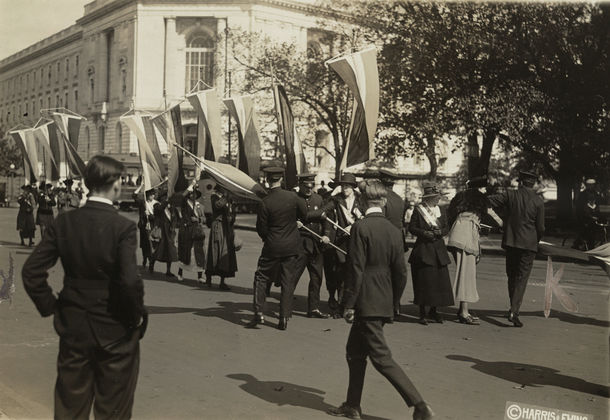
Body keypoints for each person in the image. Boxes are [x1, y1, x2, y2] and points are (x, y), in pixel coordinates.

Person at [21, 155, 146, 419]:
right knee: (113, 408)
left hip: (73, 325)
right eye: (120, 181)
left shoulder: (64, 222)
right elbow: (129, 281)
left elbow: (32, 272)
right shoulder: (122, 227)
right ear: (113, 184)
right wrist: (135, 317)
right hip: (115, 329)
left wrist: (52, 307)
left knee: (69, 405)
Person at [327, 179, 434, 420]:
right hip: (383, 299)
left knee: (381, 357)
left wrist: (348, 304)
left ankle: (419, 405)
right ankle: (352, 405)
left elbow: (355, 270)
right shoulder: (395, 231)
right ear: (383, 201)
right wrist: (393, 302)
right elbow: (401, 272)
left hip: (366, 301)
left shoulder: (360, 228)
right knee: (354, 351)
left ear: (363, 202)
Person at [247, 167, 307, 330]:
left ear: (267, 180)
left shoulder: (265, 201)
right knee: (288, 281)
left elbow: (261, 228)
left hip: (273, 245)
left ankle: (258, 313)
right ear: (281, 179)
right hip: (291, 246)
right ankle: (284, 317)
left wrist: (268, 238)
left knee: (261, 277)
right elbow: (304, 214)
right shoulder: (293, 197)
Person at [488, 170, 545, 328]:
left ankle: (512, 308)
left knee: (511, 275)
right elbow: (541, 227)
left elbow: (490, 201)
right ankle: (514, 311)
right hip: (529, 244)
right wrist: (536, 240)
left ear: (520, 181)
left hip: (511, 242)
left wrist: (503, 219)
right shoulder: (538, 201)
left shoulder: (510, 195)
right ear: (533, 183)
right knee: (522, 278)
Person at [408, 181, 454, 325]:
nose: (438, 198)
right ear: (429, 198)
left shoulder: (442, 210)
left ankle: (434, 311)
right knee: (424, 282)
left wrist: (442, 232)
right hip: (424, 250)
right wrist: (424, 233)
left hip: (439, 251)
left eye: (438, 196)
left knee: (438, 283)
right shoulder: (419, 210)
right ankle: (422, 313)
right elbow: (411, 228)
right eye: (435, 196)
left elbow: (447, 227)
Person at [318, 173, 364, 317]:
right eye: (343, 186)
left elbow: (366, 218)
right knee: (338, 274)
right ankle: (339, 304)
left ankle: (348, 304)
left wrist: (354, 226)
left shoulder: (361, 201)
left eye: (348, 186)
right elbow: (325, 213)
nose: (345, 189)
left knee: (352, 274)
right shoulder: (336, 200)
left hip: (355, 241)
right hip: (340, 242)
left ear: (353, 187)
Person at [446, 176, 489, 325]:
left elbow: (450, 214)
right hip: (466, 236)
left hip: (457, 234)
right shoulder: (479, 199)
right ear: (479, 188)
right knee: (466, 274)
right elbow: (492, 216)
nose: (485, 191)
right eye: (484, 188)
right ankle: (464, 312)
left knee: (465, 273)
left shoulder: (460, 197)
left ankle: (462, 309)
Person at [293, 173, 330, 318]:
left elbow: (325, 219)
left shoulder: (318, 199)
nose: (309, 189)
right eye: (306, 186)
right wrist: (294, 222)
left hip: (316, 243)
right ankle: (286, 305)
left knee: (316, 278)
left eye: (311, 186)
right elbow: (286, 217)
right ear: (300, 185)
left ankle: (313, 308)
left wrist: (326, 234)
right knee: (293, 276)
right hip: (300, 244)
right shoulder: (294, 199)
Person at [205, 185, 237, 290]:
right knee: (215, 251)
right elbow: (217, 206)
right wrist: (226, 197)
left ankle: (222, 281)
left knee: (225, 253)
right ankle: (208, 278)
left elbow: (231, 213)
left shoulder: (227, 198)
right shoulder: (214, 196)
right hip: (218, 227)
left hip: (227, 228)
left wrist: (232, 213)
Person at [176, 185, 207, 283]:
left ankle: (200, 276)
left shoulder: (200, 206)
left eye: (195, 194)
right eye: (191, 194)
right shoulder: (185, 204)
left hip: (197, 232)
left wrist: (198, 219)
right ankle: (180, 273)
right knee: (185, 252)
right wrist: (190, 186)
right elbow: (182, 197)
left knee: (199, 253)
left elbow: (204, 219)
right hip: (187, 231)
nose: (193, 195)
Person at [150, 194, 179, 277]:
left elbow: (175, 219)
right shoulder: (157, 205)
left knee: (169, 251)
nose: (167, 199)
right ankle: (152, 263)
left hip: (169, 232)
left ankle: (168, 270)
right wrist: (165, 202)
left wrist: (173, 227)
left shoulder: (172, 207)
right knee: (159, 249)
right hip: (162, 231)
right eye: (165, 197)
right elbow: (159, 210)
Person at [133, 185, 158, 267]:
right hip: (144, 226)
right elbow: (134, 196)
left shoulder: (156, 204)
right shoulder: (143, 202)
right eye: (151, 195)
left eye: (153, 194)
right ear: (147, 195)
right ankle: (145, 258)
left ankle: (151, 260)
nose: (152, 196)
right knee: (144, 244)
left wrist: (150, 216)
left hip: (153, 225)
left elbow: (158, 216)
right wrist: (141, 187)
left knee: (151, 243)